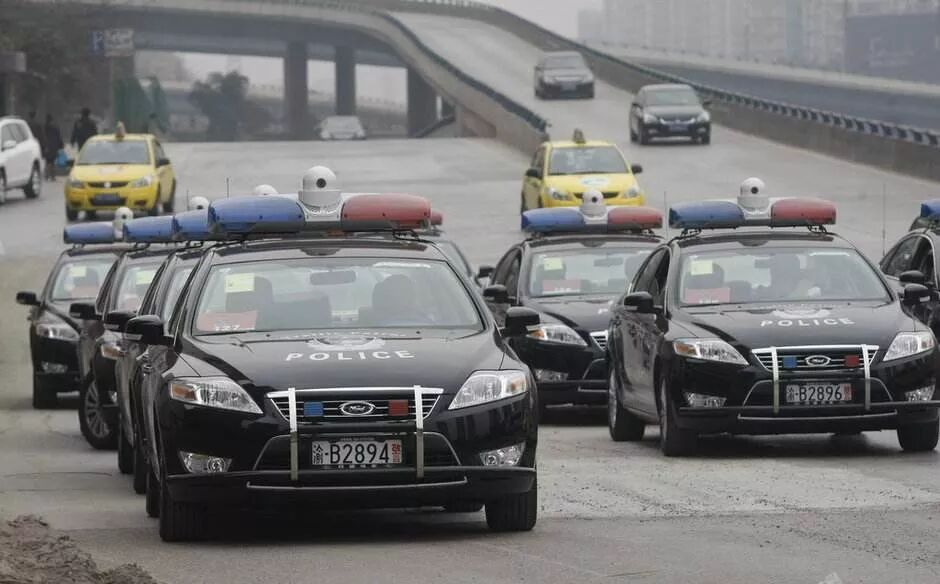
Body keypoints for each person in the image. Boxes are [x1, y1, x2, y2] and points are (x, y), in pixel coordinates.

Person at [42, 114, 64, 181]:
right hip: (54, 146)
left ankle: (46, 175)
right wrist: (61, 145)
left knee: (47, 161)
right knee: (52, 162)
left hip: (46, 146)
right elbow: (59, 137)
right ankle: (52, 176)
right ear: (52, 120)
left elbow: (42, 136)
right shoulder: (55, 127)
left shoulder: (44, 127)